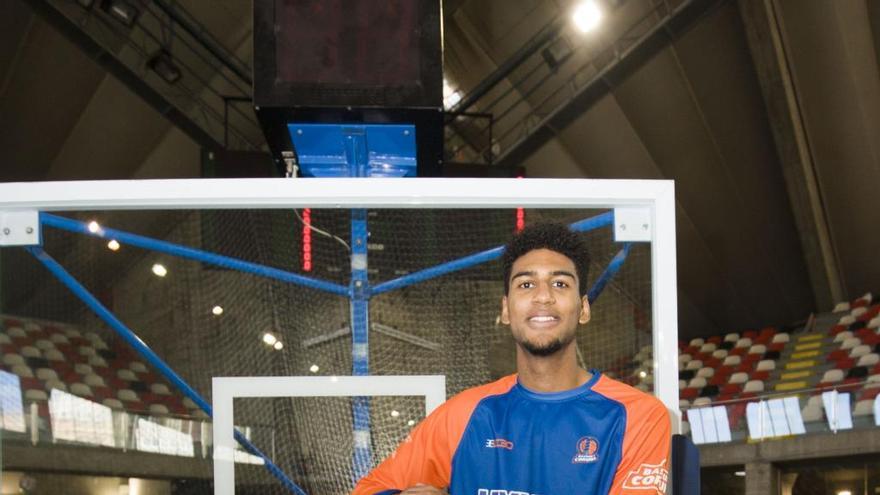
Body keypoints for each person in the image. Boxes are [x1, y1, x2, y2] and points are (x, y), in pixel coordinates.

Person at [352, 222, 671, 495]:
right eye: (526, 284)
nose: (543, 296)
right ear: (506, 309)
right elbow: (369, 488)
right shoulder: (462, 416)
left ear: (583, 308)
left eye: (560, 283)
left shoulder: (638, 417)